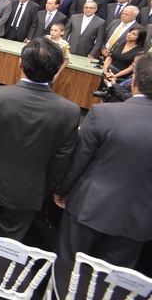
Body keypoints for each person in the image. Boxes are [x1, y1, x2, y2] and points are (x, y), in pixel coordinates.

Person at [0, 38, 79, 241]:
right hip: (29, 191)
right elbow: (60, 161)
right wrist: (44, 190)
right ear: (57, 71)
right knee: (8, 250)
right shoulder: (70, 111)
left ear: (20, 63)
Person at [54, 53, 152, 268]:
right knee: (110, 282)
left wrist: (61, 190)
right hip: (138, 222)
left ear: (134, 81)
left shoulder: (103, 113)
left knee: (68, 270)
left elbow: (78, 160)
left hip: (88, 207)